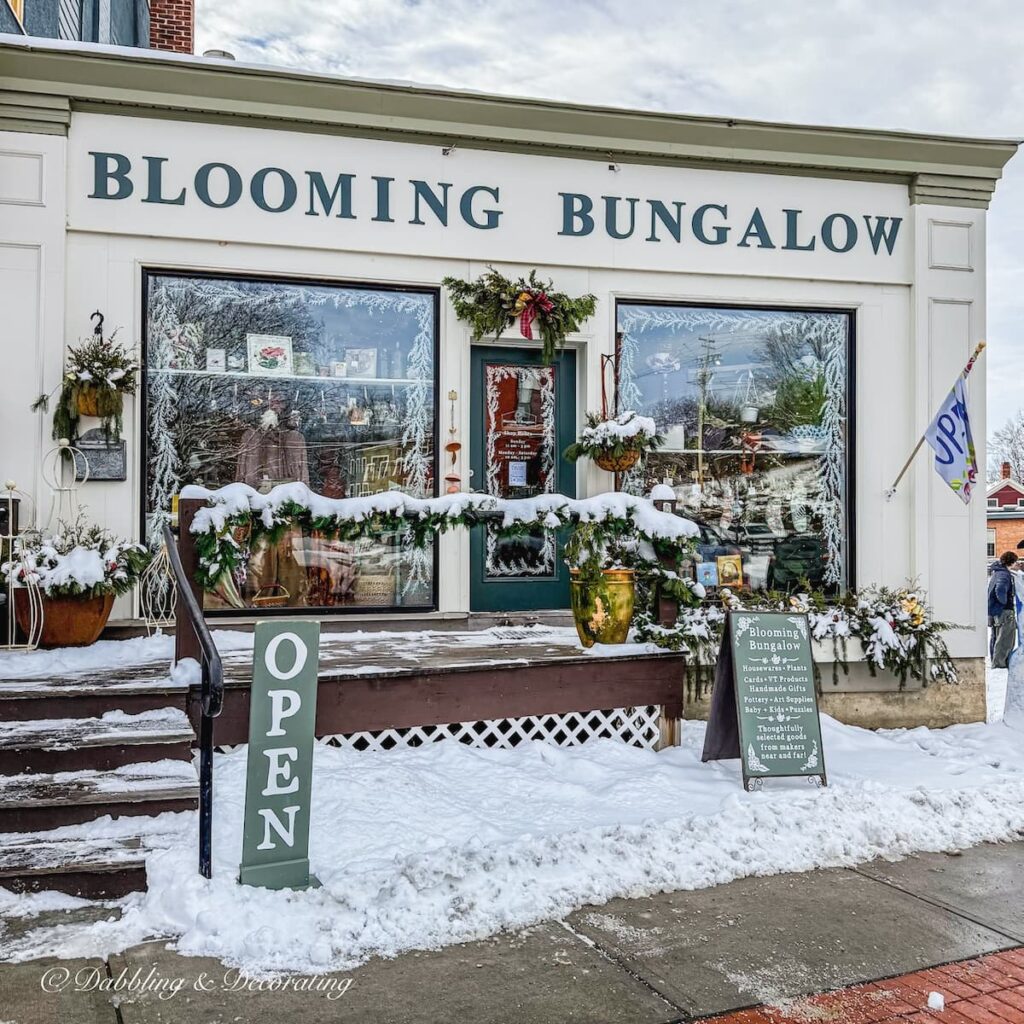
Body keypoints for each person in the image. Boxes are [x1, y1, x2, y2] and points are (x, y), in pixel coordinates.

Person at [988, 550, 1019, 668]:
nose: (1016, 565)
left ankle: (996, 661)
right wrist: (1005, 602)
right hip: (1004, 611)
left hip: (995, 610)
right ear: (1011, 562)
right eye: (1015, 562)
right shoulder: (1004, 575)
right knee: (1005, 638)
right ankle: (1000, 663)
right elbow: (1000, 589)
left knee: (997, 637)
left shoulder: (997, 572)